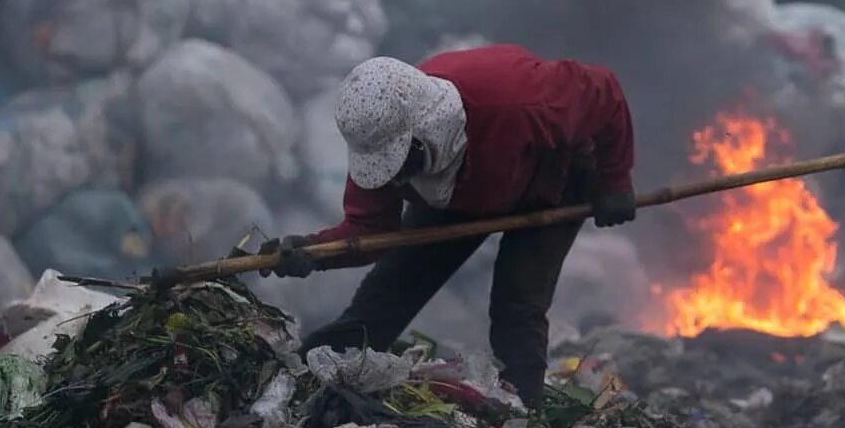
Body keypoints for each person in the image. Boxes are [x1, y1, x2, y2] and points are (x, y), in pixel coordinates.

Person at [261, 44, 637, 404]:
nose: (392, 179)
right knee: (387, 294)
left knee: (517, 307)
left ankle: (525, 413)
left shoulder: (520, 101)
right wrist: (311, 252)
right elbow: (370, 233)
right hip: (461, 191)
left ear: (425, 133)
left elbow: (605, 90)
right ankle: (308, 379)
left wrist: (615, 181)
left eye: (399, 164)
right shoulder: (379, 147)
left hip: (552, 177)